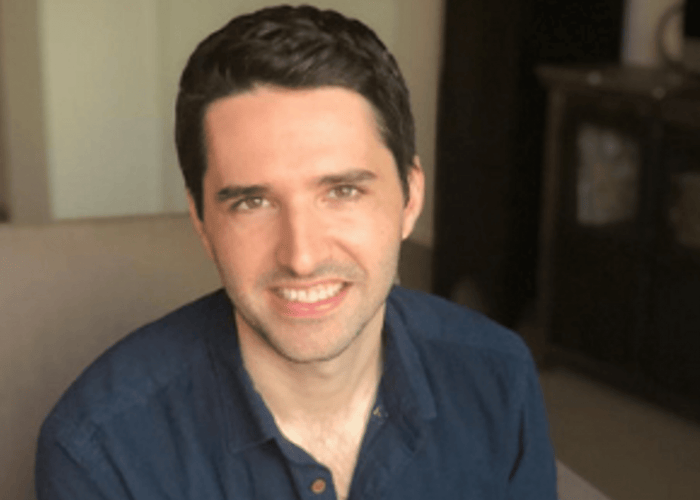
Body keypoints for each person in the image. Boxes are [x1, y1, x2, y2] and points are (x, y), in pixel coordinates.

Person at [35, 5, 557, 499]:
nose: (301, 257)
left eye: (342, 191)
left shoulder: (499, 378)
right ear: (201, 220)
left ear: (410, 198)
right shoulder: (100, 451)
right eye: (252, 202)